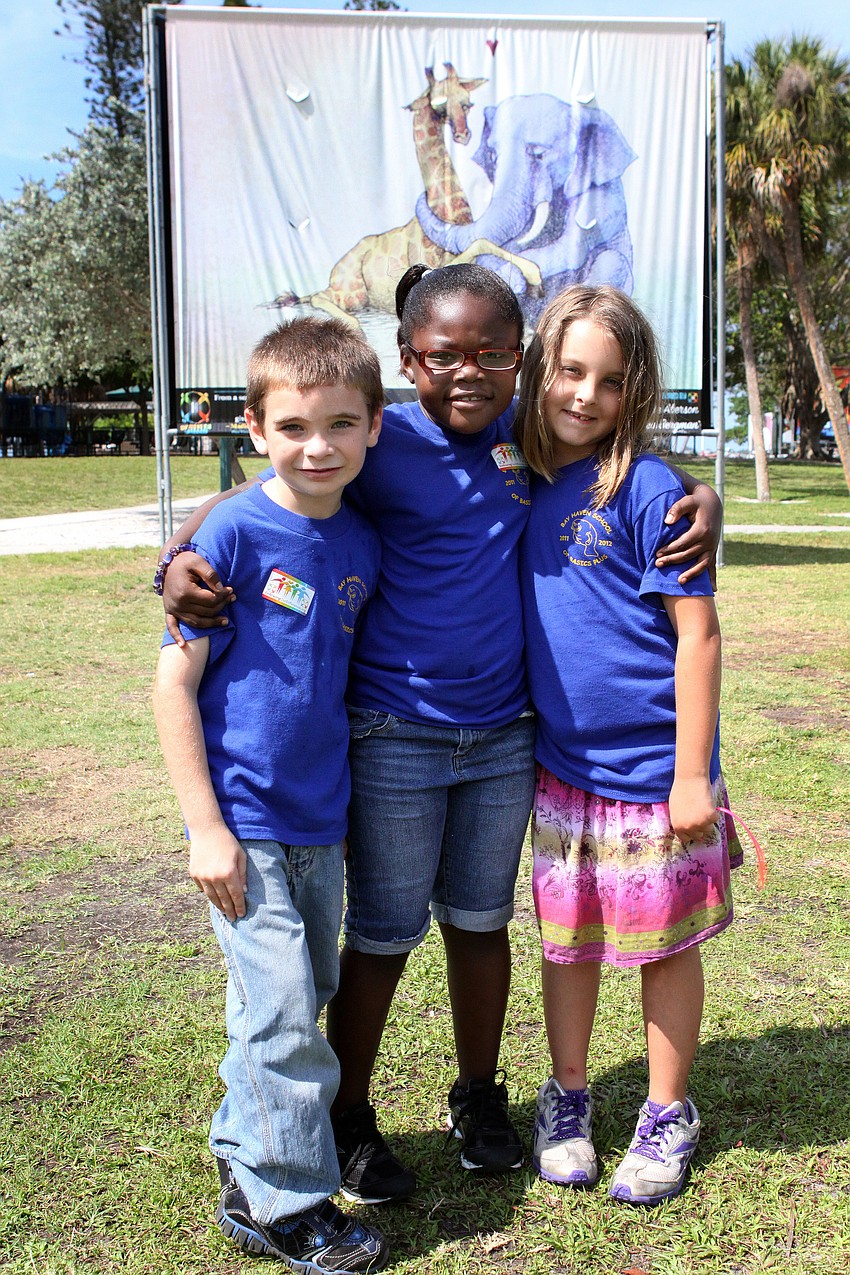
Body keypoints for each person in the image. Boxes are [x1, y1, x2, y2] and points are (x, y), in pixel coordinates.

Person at [159, 264, 722, 1204]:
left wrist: (700, 491)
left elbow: (618, 459)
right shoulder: (379, 440)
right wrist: (176, 555)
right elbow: (268, 488)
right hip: (393, 736)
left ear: (520, 360)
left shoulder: (527, 434)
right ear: (407, 362)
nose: (469, 374)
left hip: (507, 736)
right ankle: (349, 1115)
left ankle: (481, 1096)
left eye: (493, 355)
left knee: (480, 922)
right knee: (381, 933)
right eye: (444, 357)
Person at [152, 317, 389, 1272]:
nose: (318, 445)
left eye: (340, 423)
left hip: (320, 821)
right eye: (293, 426)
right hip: (242, 825)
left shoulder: (365, 540)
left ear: (374, 426)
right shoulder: (227, 532)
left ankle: (244, 1141)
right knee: (283, 1001)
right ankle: (284, 1203)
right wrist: (205, 828)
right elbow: (173, 685)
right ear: (254, 428)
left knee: (299, 989)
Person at [514, 284, 741, 1206]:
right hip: (563, 774)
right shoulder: (512, 474)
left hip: (656, 779)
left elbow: (700, 634)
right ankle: (567, 1099)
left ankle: (665, 1109)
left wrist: (692, 774)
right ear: (540, 371)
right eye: (569, 371)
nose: (583, 395)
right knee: (568, 944)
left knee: (662, 949)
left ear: (634, 390)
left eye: (608, 381)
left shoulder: (652, 490)